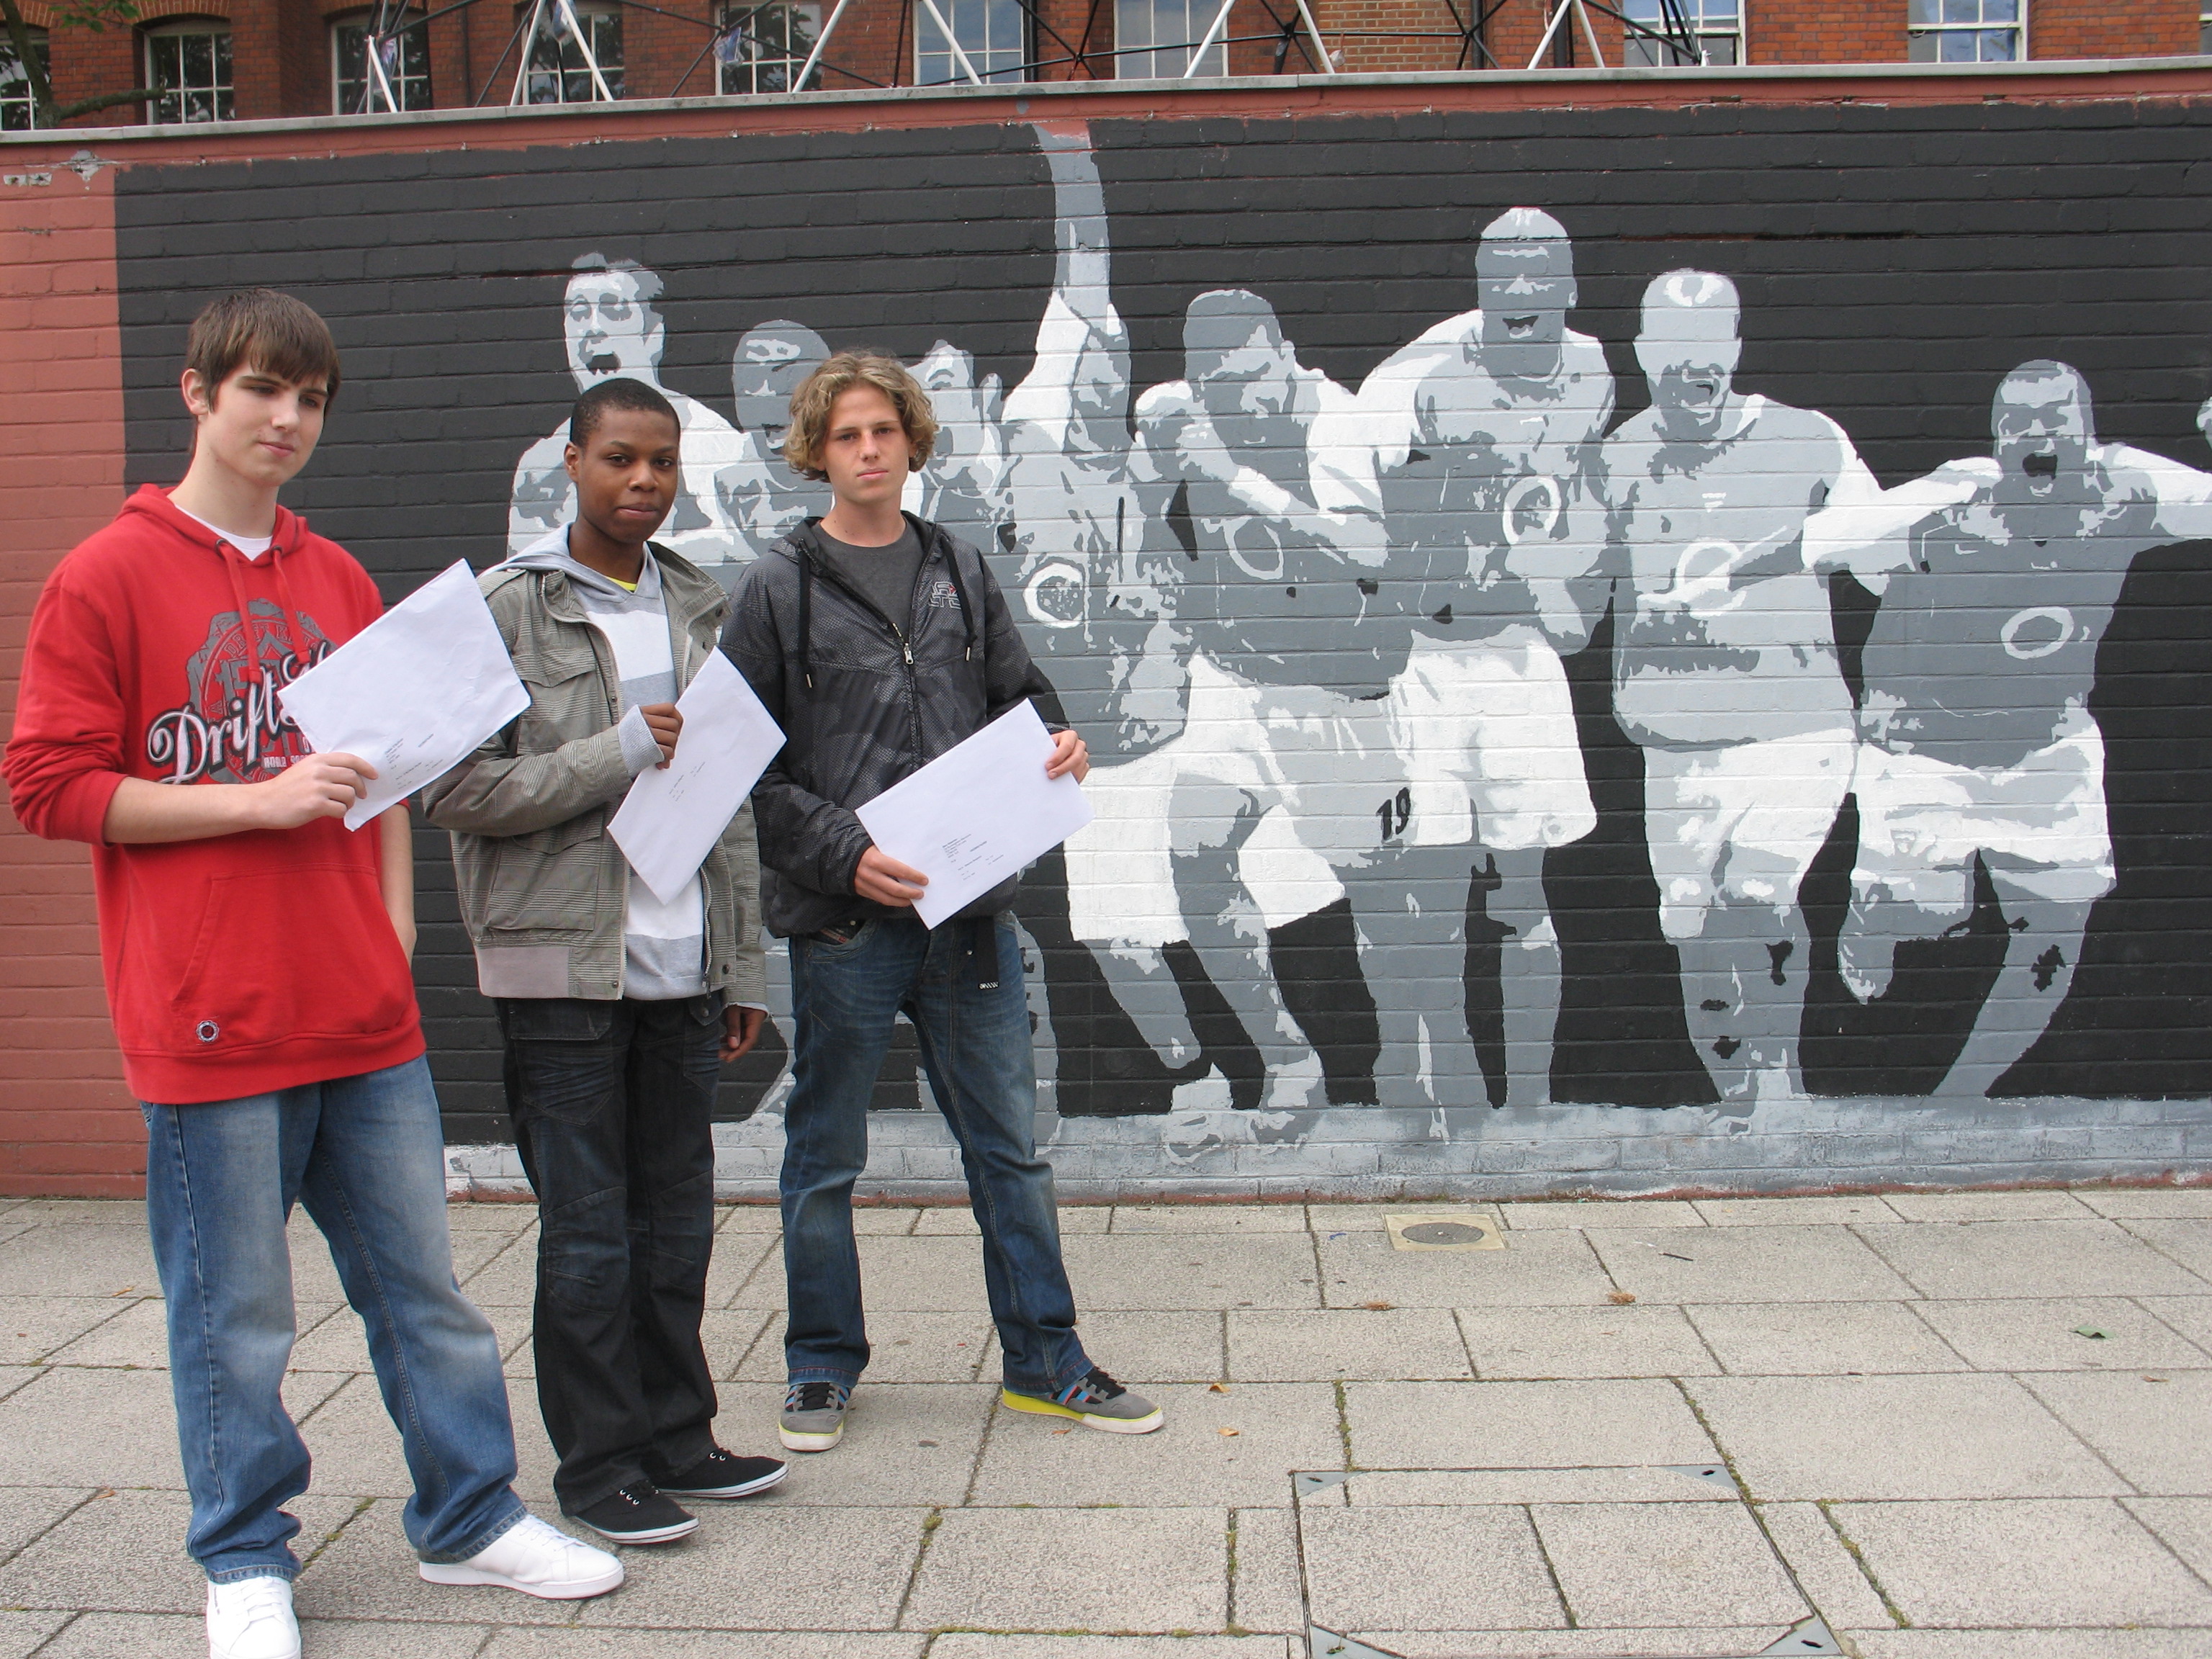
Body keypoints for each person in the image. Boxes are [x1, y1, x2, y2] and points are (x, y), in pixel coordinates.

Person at [4, 289, 621, 1659]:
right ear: (198, 394)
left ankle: (468, 1515)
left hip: (363, 1010)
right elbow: (46, 785)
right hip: (208, 1016)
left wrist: (394, 924)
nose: (286, 420)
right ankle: (242, 1554)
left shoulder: (336, 576)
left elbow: (389, 772)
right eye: (261, 391)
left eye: (311, 399)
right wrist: (255, 802)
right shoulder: (107, 574)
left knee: (425, 1289)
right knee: (234, 1314)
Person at [720, 350, 1165, 1451]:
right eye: (845, 436)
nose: (868, 451)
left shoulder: (960, 567)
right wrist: (842, 855)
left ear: (913, 442)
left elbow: (1023, 702)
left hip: (971, 919)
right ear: (816, 452)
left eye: (884, 431)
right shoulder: (778, 584)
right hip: (848, 923)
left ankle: (1045, 1360)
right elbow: (739, 766)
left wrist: (1062, 741)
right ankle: (820, 1366)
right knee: (824, 1155)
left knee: (1009, 1150)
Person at [423, 377, 785, 1545]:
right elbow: (456, 788)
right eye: (620, 457)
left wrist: (741, 964)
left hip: (681, 973)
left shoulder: (696, 598)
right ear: (570, 463)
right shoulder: (503, 608)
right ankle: (597, 1467)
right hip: (562, 973)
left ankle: (679, 1433)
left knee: (679, 1218)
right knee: (589, 1229)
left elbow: (725, 791)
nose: (644, 481)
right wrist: (613, 751)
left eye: (662, 462)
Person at [1809, 361, 2212, 1097]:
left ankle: (1960, 1099)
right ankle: (1875, 915)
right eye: (2020, 423)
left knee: (2052, 938)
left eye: (2058, 419)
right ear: (1998, 439)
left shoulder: (2129, 491)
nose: (2040, 436)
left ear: (2090, 433)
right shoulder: (1955, 498)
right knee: (1936, 914)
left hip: (2045, 747)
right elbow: (1827, 542)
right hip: (1924, 751)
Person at [1591, 269, 1887, 1108]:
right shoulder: (1615, 459)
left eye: (1713, 348)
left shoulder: (1808, 439)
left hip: (1800, 730)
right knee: (1693, 928)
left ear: (1736, 348)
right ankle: (1737, 1101)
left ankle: (1779, 1088)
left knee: (1756, 899)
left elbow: (1887, 564)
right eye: (1679, 352)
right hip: (1677, 746)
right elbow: (1568, 594)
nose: (1697, 370)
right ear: (1647, 354)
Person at [1354, 207, 1612, 1107]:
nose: (1521, 288)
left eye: (1540, 269)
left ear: (1570, 287)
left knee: (1522, 888)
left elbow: (1579, 504)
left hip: (1519, 660)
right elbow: (1355, 500)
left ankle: (1531, 1100)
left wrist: (1564, 581)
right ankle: (1452, 1069)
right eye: (1502, 270)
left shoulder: (1592, 371)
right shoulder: (1418, 384)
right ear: (1478, 286)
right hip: (1429, 657)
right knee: (1431, 889)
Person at [509, 253, 747, 575]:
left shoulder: (707, 435)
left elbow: (738, 547)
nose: (593, 328)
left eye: (614, 310)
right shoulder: (539, 465)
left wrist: (628, 560)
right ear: (573, 461)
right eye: (579, 313)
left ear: (653, 336)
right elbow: (522, 573)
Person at [716, 319, 834, 554]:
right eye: (751, 379)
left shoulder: (860, 470)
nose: (766, 393)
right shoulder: (721, 484)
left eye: (785, 376)